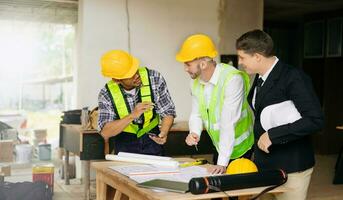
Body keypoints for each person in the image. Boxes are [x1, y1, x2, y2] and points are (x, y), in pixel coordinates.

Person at [236, 29, 324, 200]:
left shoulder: (294, 77)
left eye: (242, 58)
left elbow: (315, 120)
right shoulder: (259, 78)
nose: (240, 62)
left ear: (257, 56)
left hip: (292, 166)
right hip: (265, 166)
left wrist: (273, 135)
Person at [176, 34, 254, 174]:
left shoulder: (232, 79)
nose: (185, 69)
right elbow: (196, 113)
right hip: (220, 146)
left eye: (188, 64)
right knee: (217, 188)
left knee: (237, 190)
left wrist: (222, 163)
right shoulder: (194, 83)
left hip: (241, 147)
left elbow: (228, 122)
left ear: (203, 64)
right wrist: (194, 131)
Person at [98, 50, 176, 156]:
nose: (136, 75)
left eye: (135, 70)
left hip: (153, 140)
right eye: (130, 75)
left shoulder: (154, 78)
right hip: (124, 144)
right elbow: (105, 132)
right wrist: (132, 115)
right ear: (117, 80)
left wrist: (164, 132)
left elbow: (168, 111)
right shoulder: (106, 93)